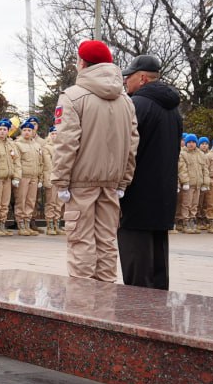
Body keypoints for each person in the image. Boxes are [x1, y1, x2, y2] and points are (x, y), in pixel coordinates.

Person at [51, 40, 139, 283]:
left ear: (82, 63)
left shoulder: (72, 97)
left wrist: (61, 181)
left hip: (80, 182)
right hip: (111, 183)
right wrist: (123, 181)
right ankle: (106, 300)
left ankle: (83, 301)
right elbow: (132, 144)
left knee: (81, 241)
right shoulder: (126, 101)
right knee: (107, 242)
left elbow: (66, 142)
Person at [116, 54, 182, 288]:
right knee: (158, 265)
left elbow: (124, 149)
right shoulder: (173, 109)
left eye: (129, 76)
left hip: (137, 194)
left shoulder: (135, 105)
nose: (125, 81)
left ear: (142, 78)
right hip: (163, 193)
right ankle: (159, 309)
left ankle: (137, 310)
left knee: (137, 265)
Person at [13, 120, 44, 236]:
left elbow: (41, 162)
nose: (27, 132)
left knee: (31, 201)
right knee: (21, 200)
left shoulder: (37, 145)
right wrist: (16, 177)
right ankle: (21, 224)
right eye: (25, 130)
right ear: (21, 131)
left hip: (34, 177)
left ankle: (27, 224)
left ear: (32, 132)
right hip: (23, 176)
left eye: (29, 130)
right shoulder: (17, 144)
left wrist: (40, 178)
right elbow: (16, 161)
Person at [0, 119, 18, 236]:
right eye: (0, 129)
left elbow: (15, 160)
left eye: (4, 129)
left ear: (8, 131)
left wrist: (16, 176)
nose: (2, 131)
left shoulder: (10, 144)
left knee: (5, 203)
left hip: (8, 178)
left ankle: (2, 225)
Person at [176, 134, 203, 234]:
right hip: (188, 184)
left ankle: (192, 221)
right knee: (186, 204)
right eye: (189, 142)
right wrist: (185, 181)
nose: (191, 144)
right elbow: (182, 169)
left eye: (193, 142)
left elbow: (204, 168)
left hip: (197, 184)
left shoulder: (200, 154)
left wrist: (204, 182)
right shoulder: (182, 154)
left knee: (194, 204)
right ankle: (184, 222)